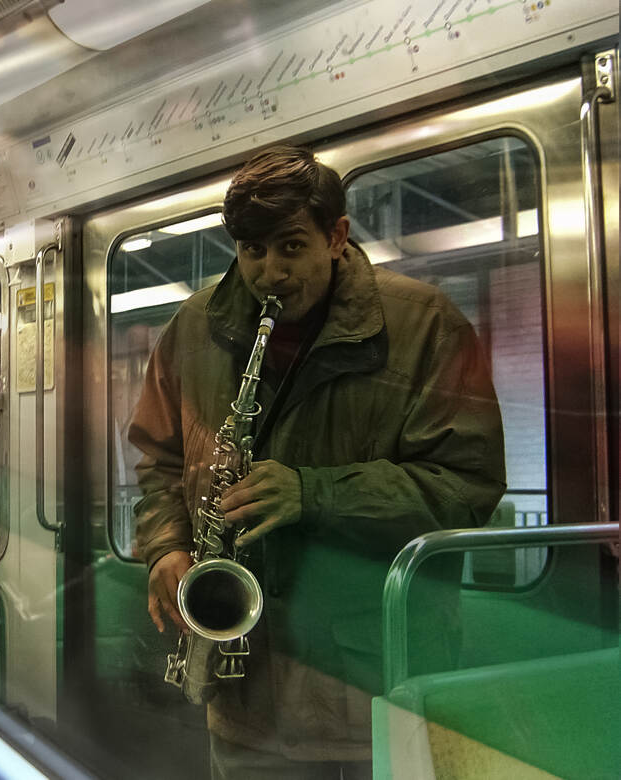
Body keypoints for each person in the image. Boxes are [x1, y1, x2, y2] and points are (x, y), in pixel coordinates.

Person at [130, 146, 506, 778]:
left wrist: (317, 493)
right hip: (242, 692)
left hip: (372, 695)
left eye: (291, 247)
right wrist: (166, 544)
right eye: (252, 251)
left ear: (337, 236)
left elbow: (467, 486)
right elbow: (159, 459)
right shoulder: (195, 328)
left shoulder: (426, 324)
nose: (269, 273)